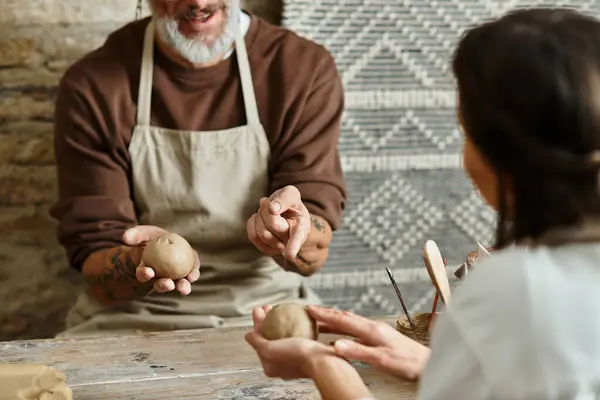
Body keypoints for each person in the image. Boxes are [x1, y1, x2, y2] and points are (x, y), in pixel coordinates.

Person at [246, 7, 600, 399]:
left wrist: (320, 364)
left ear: (503, 155)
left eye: (465, 132)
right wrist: (432, 365)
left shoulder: (515, 289)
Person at [50, 0, 346, 338]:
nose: (199, 3)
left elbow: (314, 254)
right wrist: (139, 262)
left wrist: (291, 230)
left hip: (266, 308)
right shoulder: (95, 84)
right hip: (130, 318)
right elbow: (96, 264)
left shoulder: (300, 69)